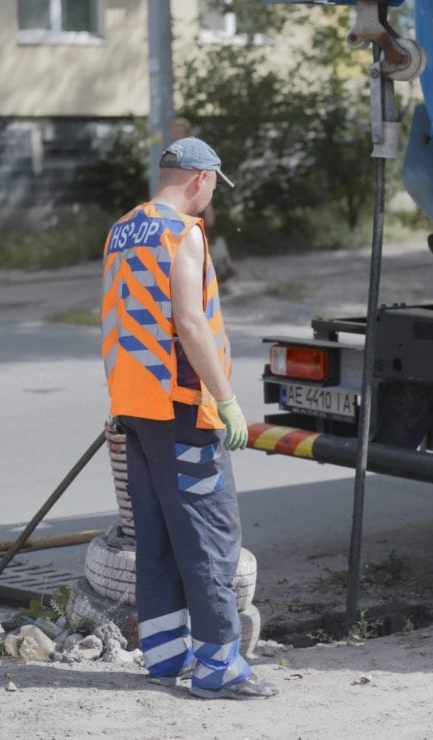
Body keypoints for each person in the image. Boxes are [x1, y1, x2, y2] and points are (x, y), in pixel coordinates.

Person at [100, 136, 277, 698]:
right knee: (208, 536)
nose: (209, 200)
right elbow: (190, 322)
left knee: (154, 534)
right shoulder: (183, 233)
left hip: (135, 406)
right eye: (212, 189)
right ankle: (219, 666)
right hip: (180, 406)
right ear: (201, 179)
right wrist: (225, 398)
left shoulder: (122, 229)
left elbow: (126, 317)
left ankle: (163, 655)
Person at [168, 117, 236, 281]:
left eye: (179, 132)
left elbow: (202, 181)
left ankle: (210, 278)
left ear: (186, 133)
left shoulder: (193, 153)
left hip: (193, 206)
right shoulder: (169, 155)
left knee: (198, 243)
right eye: (174, 132)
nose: (176, 136)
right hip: (177, 207)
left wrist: (208, 208)